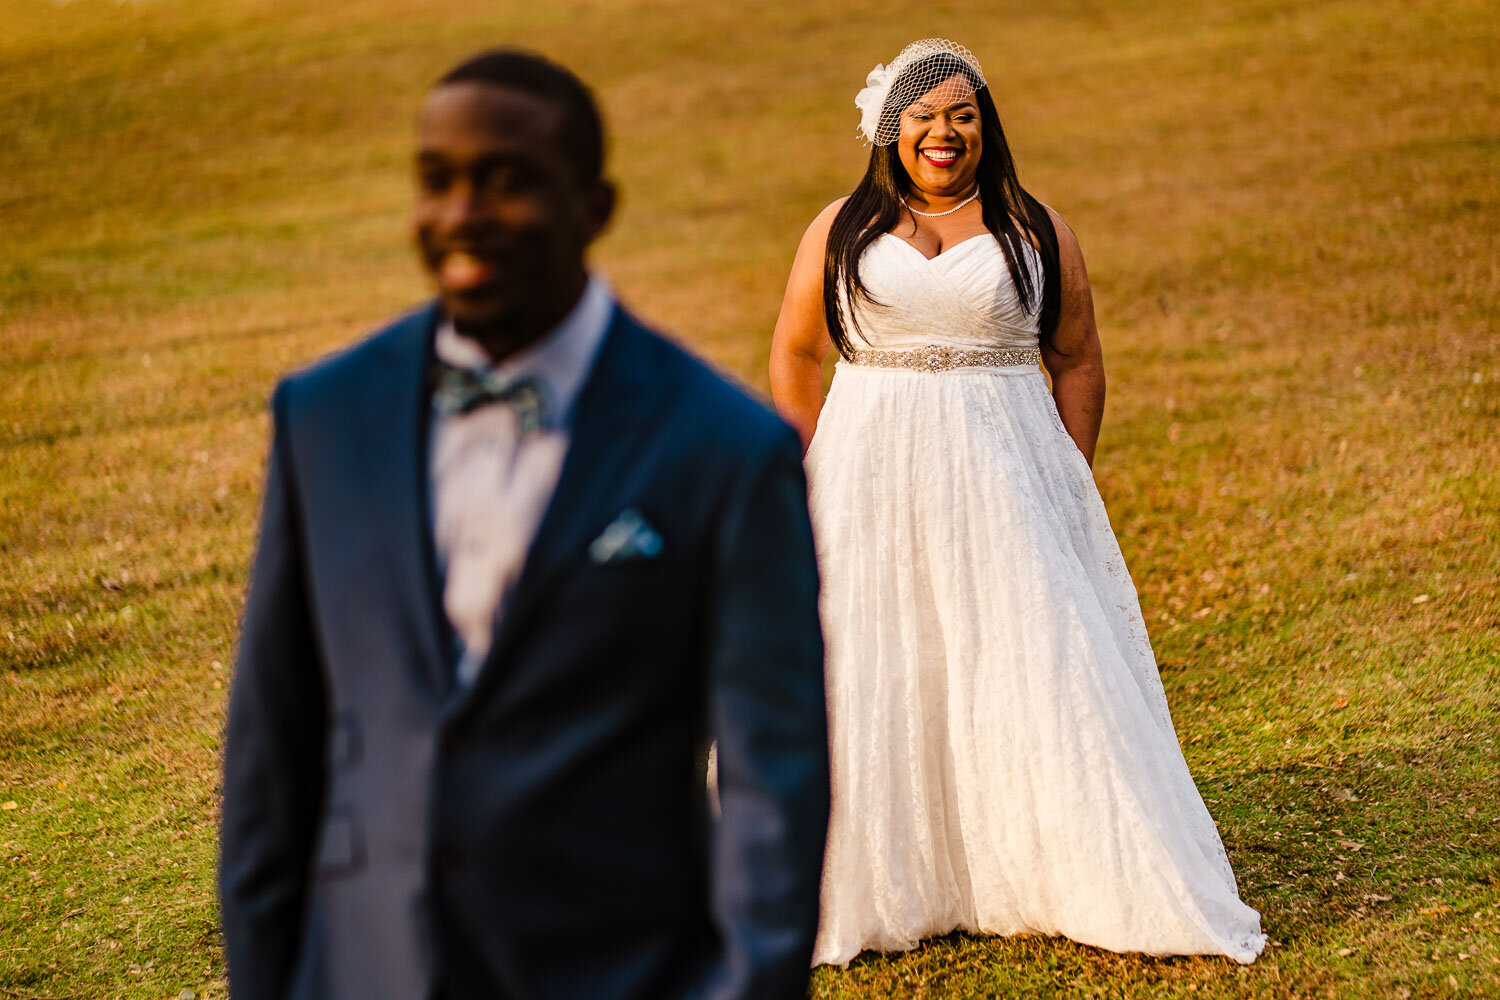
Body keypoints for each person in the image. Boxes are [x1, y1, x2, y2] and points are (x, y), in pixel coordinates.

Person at [219, 49, 829, 1000]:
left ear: (595, 207)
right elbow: (272, 747)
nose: (463, 214)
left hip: (619, 971)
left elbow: (773, 773)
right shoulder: (322, 417)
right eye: (438, 181)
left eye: (507, 182)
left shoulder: (724, 449)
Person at [768, 38, 1266, 967]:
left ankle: (1045, 865)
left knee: (1027, 652)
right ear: (891, 130)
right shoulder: (839, 228)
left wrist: (1064, 479)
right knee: (876, 656)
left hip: (1005, 478)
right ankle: (885, 878)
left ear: (986, 126)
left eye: (962, 114)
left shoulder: (1035, 229)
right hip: (865, 478)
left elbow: (1077, 358)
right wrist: (801, 472)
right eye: (923, 117)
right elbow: (797, 355)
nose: (943, 133)